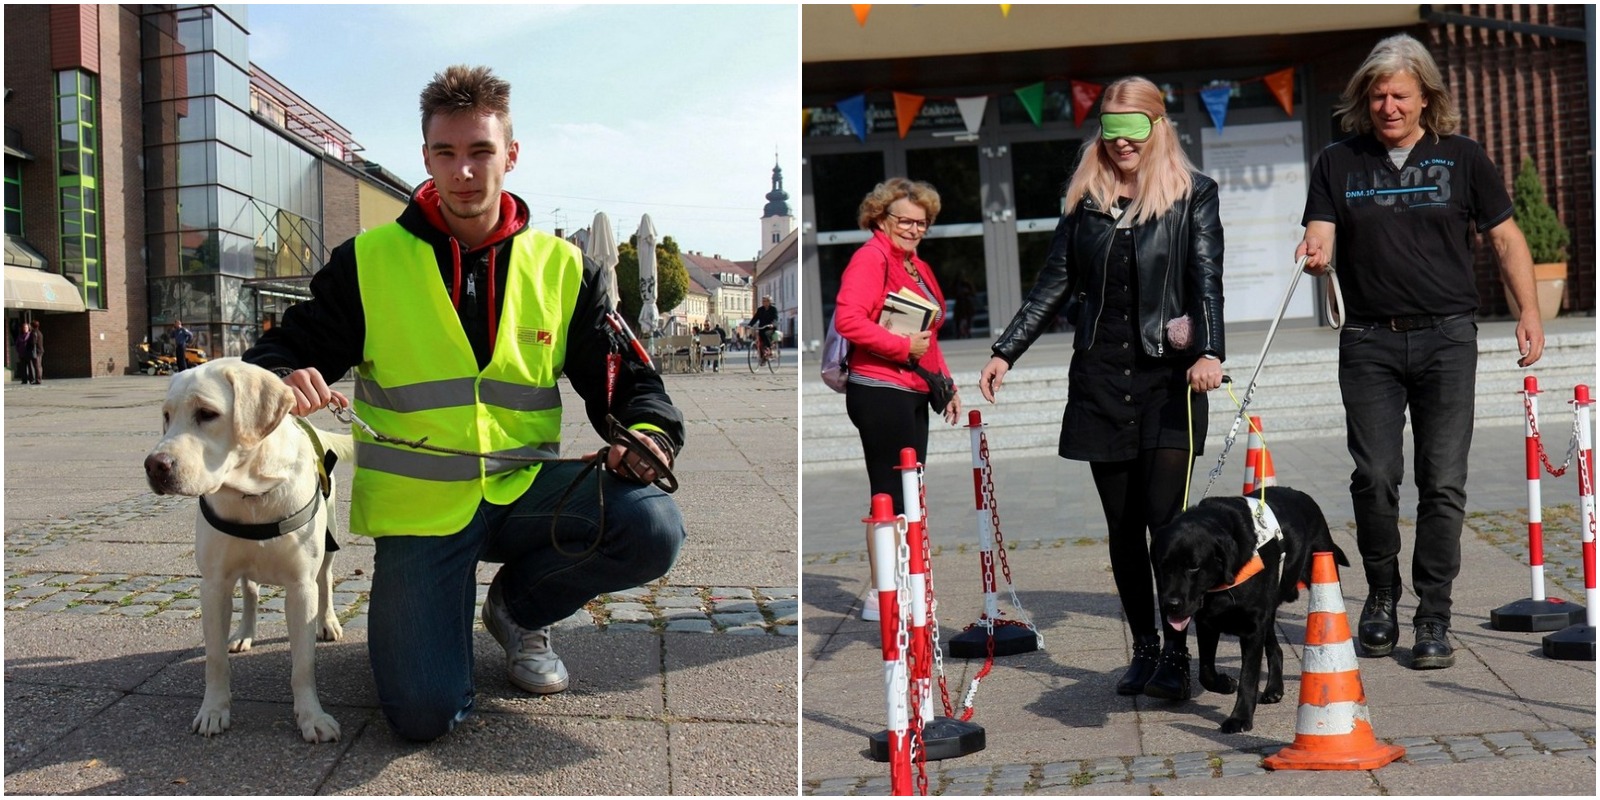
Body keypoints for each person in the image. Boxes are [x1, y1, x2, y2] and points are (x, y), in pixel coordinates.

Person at [243, 65, 686, 741]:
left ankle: (519, 610)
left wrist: (647, 431)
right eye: (446, 153)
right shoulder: (366, 261)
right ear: (426, 158)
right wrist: (285, 376)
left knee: (651, 522)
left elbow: (628, 381)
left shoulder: (565, 268)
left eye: (481, 151)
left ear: (511, 153)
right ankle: (427, 627)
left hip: (525, 490)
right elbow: (275, 353)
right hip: (421, 512)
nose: (465, 172)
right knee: (424, 714)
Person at [1296, 34, 1544, 670]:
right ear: (1364, 99)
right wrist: (1315, 253)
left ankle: (1434, 612)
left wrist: (1529, 312)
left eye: (1401, 95)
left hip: (1447, 338)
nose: (1389, 106)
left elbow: (1506, 239)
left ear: (1426, 97)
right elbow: (1320, 230)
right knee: (1375, 477)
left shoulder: (1462, 156)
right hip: (1369, 341)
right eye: (1378, 95)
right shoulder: (1338, 162)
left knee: (1443, 481)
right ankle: (1381, 594)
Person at [978, 77, 1225, 700]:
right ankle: (1145, 648)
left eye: (1133, 129)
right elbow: (1053, 283)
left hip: (1168, 379)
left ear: (1158, 127)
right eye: (1111, 130)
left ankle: (1178, 656)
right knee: (1122, 527)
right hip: (1100, 379)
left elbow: (1206, 277)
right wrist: (1006, 351)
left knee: (1166, 526)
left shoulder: (1193, 194)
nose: (1121, 142)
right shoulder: (1086, 201)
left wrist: (1211, 350)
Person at [834, 178, 962, 621]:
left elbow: (930, 336)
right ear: (881, 218)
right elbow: (849, 320)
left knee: (909, 492)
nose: (913, 229)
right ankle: (882, 594)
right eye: (904, 221)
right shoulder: (870, 258)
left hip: (910, 389)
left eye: (921, 223)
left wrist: (945, 384)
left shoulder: (915, 265)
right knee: (889, 492)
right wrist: (900, 347)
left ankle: (904, 582)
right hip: (878, 389)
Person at [749, 295, 780, 364]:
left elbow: (775, 318)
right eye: (763, 301)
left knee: (765, 334)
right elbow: (755, 318)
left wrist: (772, 324)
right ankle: (762, 358)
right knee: (759, 341)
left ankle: (769, 349)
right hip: (762, 327)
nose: (764, 302)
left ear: (769, 302)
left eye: (766, 301)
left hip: (770, 328)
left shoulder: (773, 309)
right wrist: (750, 324)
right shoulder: (760, 309)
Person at [26, 321, 43, 385]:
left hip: (36, 351)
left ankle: (38, 380)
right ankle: (39, 379)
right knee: (39, 366)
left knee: (36, 366)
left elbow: (33, 342)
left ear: (32, 326)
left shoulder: (34, 333)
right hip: (39, 351)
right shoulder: (39, 332)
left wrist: (28, 346)